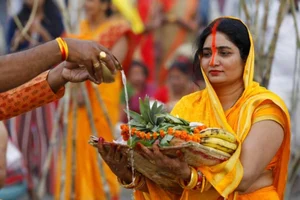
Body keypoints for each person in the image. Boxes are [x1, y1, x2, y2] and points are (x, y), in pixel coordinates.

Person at [96, 17, 291, 200]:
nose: (213, 61)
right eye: (206, 54)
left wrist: (188, 175)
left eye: (224, 53)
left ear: (246, 58)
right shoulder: (188, 105)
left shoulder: (265, 108)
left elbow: (244, 176)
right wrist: (130, 175)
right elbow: (174, 186)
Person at [55, 0, 133, 199]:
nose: (85, 4)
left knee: (100, 146)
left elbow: (112, 69)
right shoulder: (76, 31)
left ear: (105, 5)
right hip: (75, 99)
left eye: (91, 0)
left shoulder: (118, 29)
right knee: (76, 147)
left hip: (101, 100)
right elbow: (62, 61)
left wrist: (85, 74)